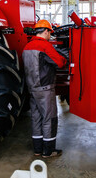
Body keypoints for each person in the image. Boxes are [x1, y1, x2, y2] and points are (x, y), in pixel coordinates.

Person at [22, 19, 67, 158]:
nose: (50, 36)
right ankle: (48, 151)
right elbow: (59, 63)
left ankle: (37, 149)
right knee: (49, 119)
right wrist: (65, 57)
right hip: (45, 89)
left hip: (32, 88)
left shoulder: (27, 47)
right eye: (50, 33)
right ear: (46, 31)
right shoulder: (45, 46)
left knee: (36, 119)